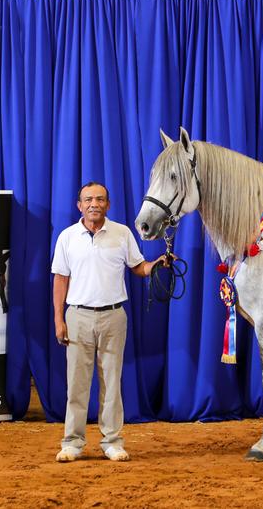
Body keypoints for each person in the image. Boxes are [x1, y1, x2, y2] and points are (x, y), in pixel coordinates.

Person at [52, 181, 170, 463]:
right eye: (89, 199)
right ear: (79, 205)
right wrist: (59, 319)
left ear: (108, 204)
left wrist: (157, 265)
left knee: (112, 382)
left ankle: (112, 442)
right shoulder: (67, 237)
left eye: (100, 199)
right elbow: (60, 279)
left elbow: (138, 267)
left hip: (114, 316)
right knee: (77, 384)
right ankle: (72, 443)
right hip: (77, 315)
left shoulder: (122, 233)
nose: (95, 204)